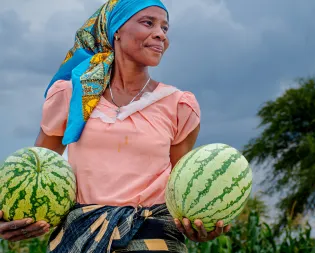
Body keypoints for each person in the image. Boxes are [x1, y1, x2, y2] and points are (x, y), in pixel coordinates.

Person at [0, 0, 230, 252]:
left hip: (152, 236)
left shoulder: (178, 105)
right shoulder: (72, 95)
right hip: (80, 235)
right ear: (116, 30)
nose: (160, 34)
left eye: (165, 28)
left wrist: (197, 224)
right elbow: (35, 173)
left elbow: (182, 190)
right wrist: (11, 217)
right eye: (148, 23)